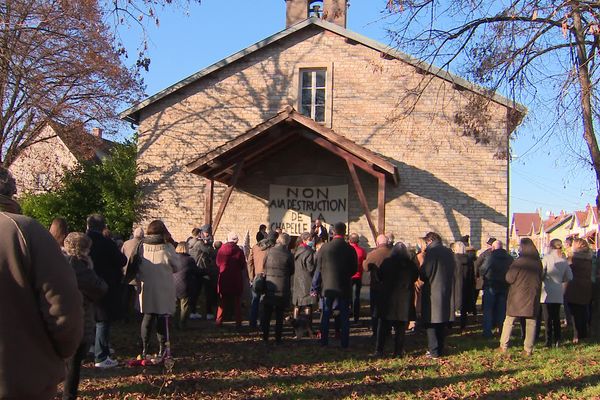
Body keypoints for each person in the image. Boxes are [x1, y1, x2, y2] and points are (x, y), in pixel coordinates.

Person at [0, 167, 83, 400]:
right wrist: (61, 353)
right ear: (12, 193)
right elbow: (63, 306)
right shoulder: (25, 231)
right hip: (18, 379)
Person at [62, 233, 108, 400]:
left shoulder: (57, 261)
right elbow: (100, 287)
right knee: (74, 364)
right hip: (78, 317)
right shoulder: (79, 266)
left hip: (58, 316)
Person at [87, 214, 127, 368]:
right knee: (103, 320)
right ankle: (101, 356)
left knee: (90, 317)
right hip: (104, 283)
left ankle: (93, 346)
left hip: (86, 283)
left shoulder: (84, 240)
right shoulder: (105, 242)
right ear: (103, 226)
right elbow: (121, 260)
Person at [136, 220, 177, 361]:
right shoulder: (167, 247)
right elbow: (176, 265)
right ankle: (162, 349)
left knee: (147, 317)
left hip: (146, 286)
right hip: (163, 286)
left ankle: (144, 348)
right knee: (161, 318)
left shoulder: (141, 246)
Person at [315, 222, 357, 348]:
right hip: (344, 285)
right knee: (344, 315)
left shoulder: (324, 248)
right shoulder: (350, 249)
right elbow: (354, 269)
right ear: (344, 233)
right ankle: (344, 342)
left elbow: (319, 267)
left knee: (326, 314)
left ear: (333, 232)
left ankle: (324, 342)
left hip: (328, 286)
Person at [373, 242, 419, 357]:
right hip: (403, 300)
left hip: (388, 299)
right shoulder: (410, 264)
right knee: (400, 329)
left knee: (383, 326)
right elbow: (415, 277)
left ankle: (379, 350)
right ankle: (398, 352)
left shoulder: (387, 262)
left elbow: (379, 276)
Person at [499, 238, 543, 356]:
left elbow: (509, 278)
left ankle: (503, 345)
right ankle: (528, 349)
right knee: (531, 322)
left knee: (509, 321)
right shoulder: (538, 262)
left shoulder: (519, 262)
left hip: (517, 297)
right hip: (532, 295)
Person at [420, 232, 456, 358]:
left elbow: (424, 273)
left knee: (431, 322)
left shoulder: (432, 253)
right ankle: (440, 348)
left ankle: (433, 350)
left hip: (433, 291)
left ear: (429, 241)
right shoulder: (448, 252)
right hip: (446, 290)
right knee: (442, 322)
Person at [262, 233, 294, 343]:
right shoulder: (288, 255)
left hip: (269, 285)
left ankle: (265, 336)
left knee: (267, 314)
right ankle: (278, 338)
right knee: (279, 315)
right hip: (282, 286)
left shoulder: (269, 252)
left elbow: (264, 266)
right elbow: (292, 270)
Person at [541, 239, 572, 348]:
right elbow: (570, 276)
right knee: (556, 317)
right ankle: (558, 340)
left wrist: (544, 278)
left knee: (547, 318)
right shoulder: (563, 260)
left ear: (550, 246)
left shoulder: (547, 258)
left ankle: (548, 340)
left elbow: (541, 272)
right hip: (558, 291)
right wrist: (561, 280)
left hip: (546, 291)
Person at [479, 240, 513, 337]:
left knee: (488, 310)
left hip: (491, 285)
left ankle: (487, 332)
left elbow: (483, 270)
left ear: (493, 248)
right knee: (502, 310)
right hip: (504, 285)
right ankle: (502, 331)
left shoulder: (491, 257)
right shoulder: (509, 258)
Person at [216, 232, 247, 328]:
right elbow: (242, 265)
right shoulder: (239, 251)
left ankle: (219, 321)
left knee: (222, 301)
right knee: (237, 301)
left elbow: (217, 263)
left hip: (224, 277)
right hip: (235, 278)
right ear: (236, 240)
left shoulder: (221, 250)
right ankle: (238, 322)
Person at [565, 238, 593, 343]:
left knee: (574, 312)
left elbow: (567, 271)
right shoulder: (590, 258)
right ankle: (584, 332)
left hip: (574, 286)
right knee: (583, 310)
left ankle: (576, 335)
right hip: (586, 286)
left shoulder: (573, 258)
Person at [364, 234, 393, 336]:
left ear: (377, 243)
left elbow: (366, 268)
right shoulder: (392, 253)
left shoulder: (373, 254)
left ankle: (376, 330)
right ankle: (388, 330)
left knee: (375, 310)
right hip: (390, 286)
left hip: (376, 286)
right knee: (388, 309)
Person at [247, 231, 277, 328]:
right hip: (269, 277)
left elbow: (249, 262)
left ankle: (252, 322)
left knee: (255, 300)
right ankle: (264, 323)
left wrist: (251, 276)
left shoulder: (255, 247)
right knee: (265, 301)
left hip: (257, 276)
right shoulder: (273, 248)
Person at [173, 241, 202, 329]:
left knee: (175, 306)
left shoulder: (173, 258)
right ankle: (182, 324)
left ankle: (175, 324)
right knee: (184, 306)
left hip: (173, 284)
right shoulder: (189, 260)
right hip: (185, 285)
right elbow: (196, 271)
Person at [292, 232, 317, 334]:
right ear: (305, 240)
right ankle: (308, 328)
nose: (312, 241)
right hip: (307, 280)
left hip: (297, 279)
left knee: (297, 305)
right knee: (308, 304)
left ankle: (295, 327)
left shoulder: (296, 251)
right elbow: (310, 268)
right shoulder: (309, 252)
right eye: (310, 239)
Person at [189, 227, 216, 319]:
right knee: (208, 291)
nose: (207, 235)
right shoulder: (200, 243)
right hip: (203, 268)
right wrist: (209, 244)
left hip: (196, 269)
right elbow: (210, 252)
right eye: (206, 233)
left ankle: (193, 311)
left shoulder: (190, 243)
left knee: (196, 291)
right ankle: (209, 312)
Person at [451, 241, 475, 331]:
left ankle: (450, 324)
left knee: (452, 304)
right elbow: (471, 274)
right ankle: (463, 324)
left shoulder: (452, 259)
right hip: (466, 285)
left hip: (454, 284)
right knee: (464, 306)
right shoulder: (469, 260)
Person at [349, 232, 366, 323]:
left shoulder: (347, 249)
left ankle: (349, 312)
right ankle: (356, 315)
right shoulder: (361, 251)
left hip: (349, 276)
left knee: (348, 295)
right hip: (358, 275)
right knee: (357, 296)